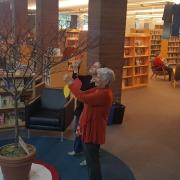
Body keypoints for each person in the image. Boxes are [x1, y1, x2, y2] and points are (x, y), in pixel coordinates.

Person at [64, 67, 115, 180]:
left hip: (93, 131)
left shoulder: (104, 94)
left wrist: (70, 84)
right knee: (90, 159)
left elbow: (82, 97)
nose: (95, 78)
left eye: (98, 77)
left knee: (92, 162)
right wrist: (74, 81)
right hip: (88, 127)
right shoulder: (99, 89)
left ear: (106, 81)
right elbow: (83, 92)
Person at [68, 61, 104, 166]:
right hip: (81, 109)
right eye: (92, 65)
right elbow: (76, 79)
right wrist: (75, 68)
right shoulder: (88, 78)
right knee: (78, 131)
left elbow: (82, 90)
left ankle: (89, 157)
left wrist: (76, 88)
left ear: (100, 71)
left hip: (90, 112)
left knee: (87, 135)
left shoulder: (98, 83)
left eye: (95, 66)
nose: (92, 67)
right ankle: (77, 149)